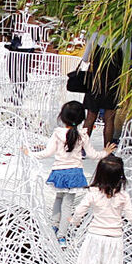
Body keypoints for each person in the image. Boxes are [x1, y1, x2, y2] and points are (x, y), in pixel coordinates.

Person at [23, 100, 114, 244]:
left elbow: (47, 153)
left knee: (58, 199)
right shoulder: (82, 135)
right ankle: (62, 236)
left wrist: (30, 153)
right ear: (81, 119)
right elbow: (92, 155)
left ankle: (54, 225)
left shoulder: (58, 134)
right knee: (67, 205)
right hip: (74, 174)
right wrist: (105, 152)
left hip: (59, 172)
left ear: (62, 117)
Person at [82, 35, 123, 146]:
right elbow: (126, 63)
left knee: (90, 117)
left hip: (95, 83)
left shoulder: (95, 36)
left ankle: (82, 148)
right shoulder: (123, 38)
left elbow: (85, 59)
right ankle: (107, 149)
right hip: (113, 84)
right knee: (109, 119)